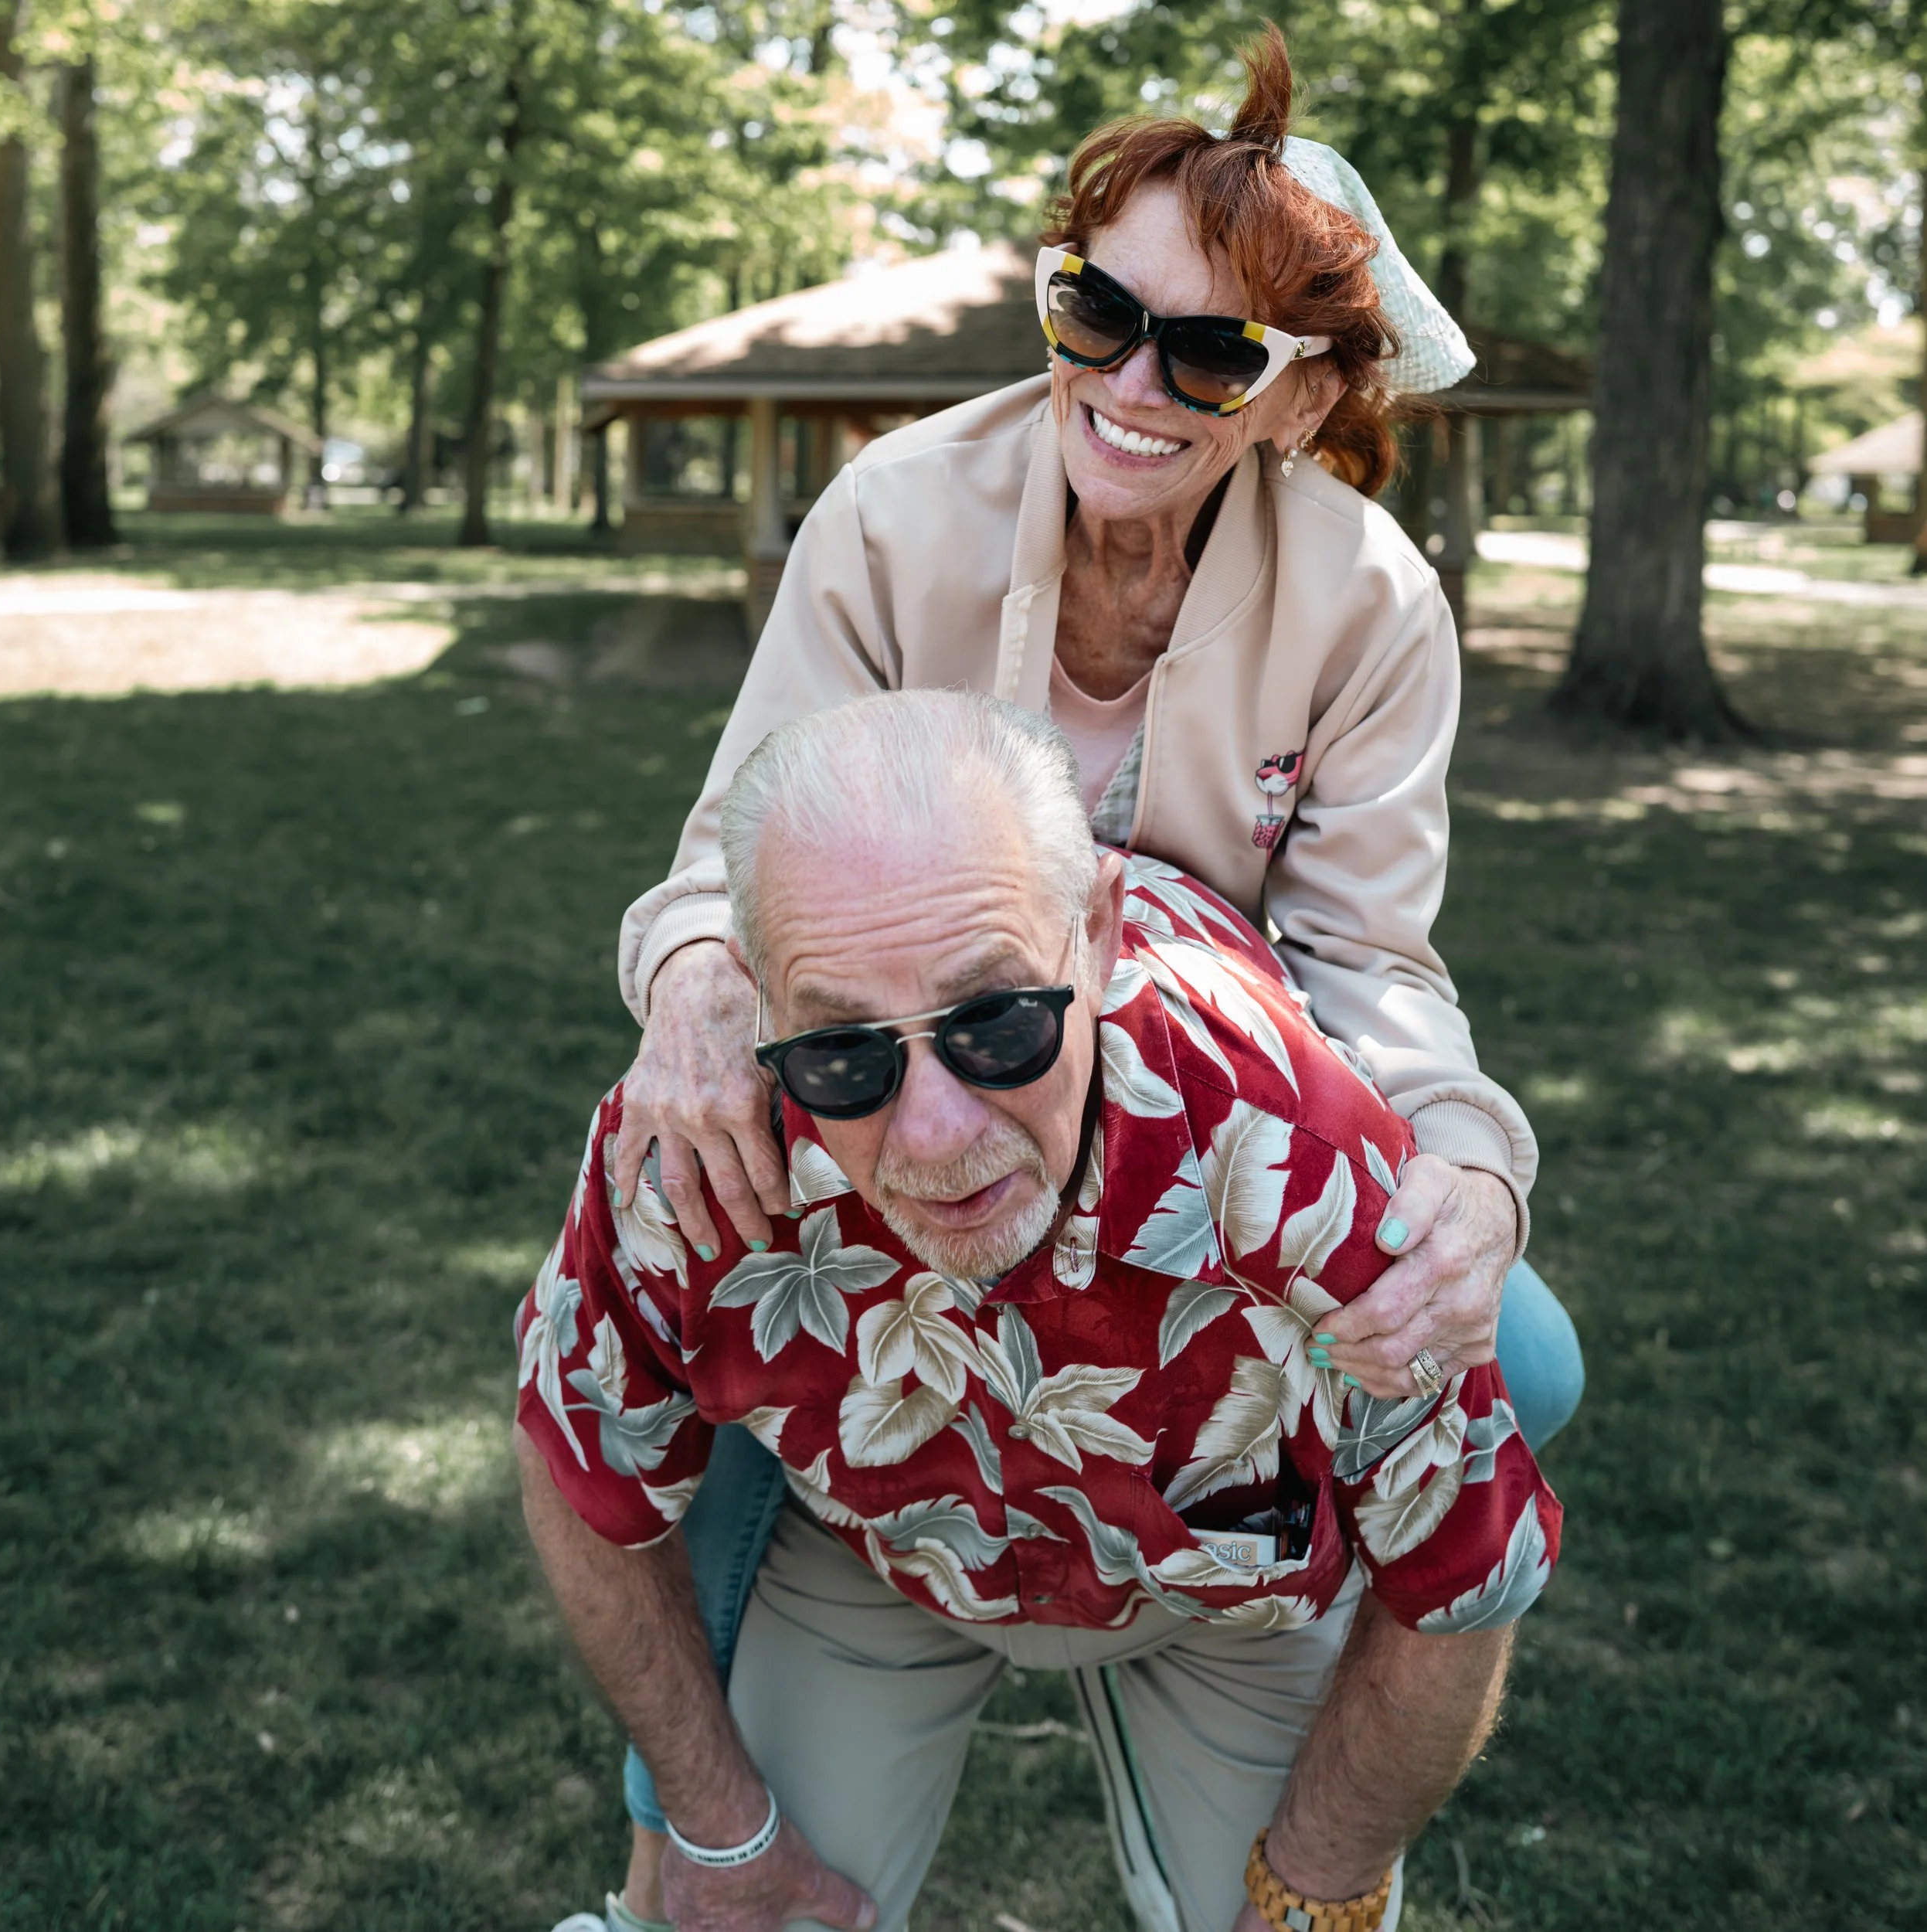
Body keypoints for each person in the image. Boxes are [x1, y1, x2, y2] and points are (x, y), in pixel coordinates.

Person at [576, 29, 1585, 1931]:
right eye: (1091, 309)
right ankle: (685, 1850)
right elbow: (725, 855)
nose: (1128, 383)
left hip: (1202, 1144)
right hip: (895, 1106)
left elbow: (1370, 955)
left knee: (1518, 1354)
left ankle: (1282, 1720)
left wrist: (1467, 1169)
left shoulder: (1369, 601)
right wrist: (700, 976)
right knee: (703, 1289)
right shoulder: (891, 512)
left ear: (1298, 399)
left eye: (1205, 354)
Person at [522, 691, 1561, 1932]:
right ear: (756, 1002)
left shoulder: (1300, 1154)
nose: (936, 1136)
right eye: (845, 1054)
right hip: (878, 1563)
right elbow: (578, 1458)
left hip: (1226, 1586)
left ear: (1102, 934)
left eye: (1000, 1022)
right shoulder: (696, 1148)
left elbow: (1461, 1574)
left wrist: (1318, 1885)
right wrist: (717, 1829)